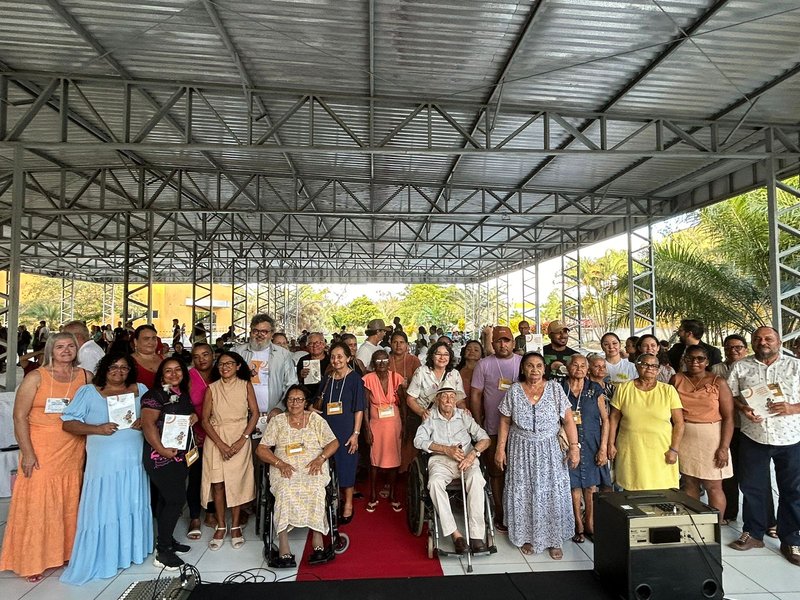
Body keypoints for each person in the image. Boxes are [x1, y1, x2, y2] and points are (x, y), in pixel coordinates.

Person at [0, 333, 90, 581]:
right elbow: (19, 417)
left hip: (72, 451)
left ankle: (64, 553)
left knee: (68, 502)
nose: (66, 350)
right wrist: (27, 452)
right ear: (50, 349)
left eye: (71, 346)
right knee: (39, 504)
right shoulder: (35, 377)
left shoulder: (85, 377)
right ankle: (32, 560)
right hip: (40, 451)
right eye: (60, 346)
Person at [60, 353, 151, 585]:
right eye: (113, 367)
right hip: (103, 464)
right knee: (105, 505)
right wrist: (97, 428)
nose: (118, 372)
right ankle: (103, 554)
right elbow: (68, 423)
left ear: (130, 370)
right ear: (104, 369)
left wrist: (144, 422)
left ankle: (130, 551)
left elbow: (154, 416)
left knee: (131, 502)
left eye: (123, 367)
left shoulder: (139, 389)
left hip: (133, 461)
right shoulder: (89, 392)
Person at [726, 326, 800, 566]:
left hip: (790, 437)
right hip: (753, 435)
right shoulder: (741, 366)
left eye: (768, 338)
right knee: (751, 486)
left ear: (778, 342)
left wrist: (792, 408)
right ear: (752, 343)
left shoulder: (795, 366)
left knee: (792, 490)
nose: (763, 342)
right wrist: (743, 408)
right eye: (758, 339)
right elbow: (732, 396)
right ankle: (754, 533)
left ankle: (791, 539)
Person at [495, 352, 580, 559]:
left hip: (550, 449)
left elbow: (568, 420)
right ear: (523, 369)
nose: (534, 370)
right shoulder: (514, 391)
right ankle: (528, 537)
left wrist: (574, 447)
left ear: (545, 369)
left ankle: (554, 539)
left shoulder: (555, 389)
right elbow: (505, 421)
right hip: (520, 449)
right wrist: (500, 448)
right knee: (524, 492)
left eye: (539, 366)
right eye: (530, 366)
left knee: (551, 493)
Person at [257, 385, 339, 567]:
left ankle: (317, 539)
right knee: (284, 489)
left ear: (306, 402)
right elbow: (261, 449)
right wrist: (280, 463)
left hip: (313, 466)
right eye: (291, 399)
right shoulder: (278, 421)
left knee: (317, 488)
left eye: (299, 399)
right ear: (286, 401)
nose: (295, 403)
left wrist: (321, 458)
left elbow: (333, 442)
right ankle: (284, 545)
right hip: (284, 467)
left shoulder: (316, 420)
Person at [414, 384, 491, 554]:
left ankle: (477, 535)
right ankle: (456, 535)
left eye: (452, 396)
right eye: (444, 396)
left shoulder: (464, 416)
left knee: (477, 480)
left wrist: (473, 455)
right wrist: (445, 449)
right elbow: (418, 441)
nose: (449, 400)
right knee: (434, 483)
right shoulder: (430, 417)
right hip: (440, 461)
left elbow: (485, 438)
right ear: (437, 399)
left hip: (467, 459)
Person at [140, 358, 199, 570]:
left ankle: (168, 539)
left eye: (177, 370)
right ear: (161, 374)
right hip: (160, 458)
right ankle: (162, 551)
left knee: (166, 500)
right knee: (175, 499)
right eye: (168, 371)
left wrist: (193, 417)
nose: (173, 374)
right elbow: (148, 425)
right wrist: (162, 450)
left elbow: (183, 416)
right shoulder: (154, 396)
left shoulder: (182, 393)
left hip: (180, 456)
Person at [201, 351, 259, 550]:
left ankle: (235, 526)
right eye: (222, 364)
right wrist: (221, 444)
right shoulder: (212, 388)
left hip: (239, 436)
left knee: (237, 482)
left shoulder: (245, 385)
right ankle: (221, 524)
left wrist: (243, 439)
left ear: (238, 366)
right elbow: (205, 420)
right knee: (217, 484)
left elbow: (255, 414)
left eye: (229, 363)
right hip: (216, 438)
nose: (225, 367)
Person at [670, 345, 734, 522]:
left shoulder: (718, 382)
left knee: (714, 485)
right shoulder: (676, 379)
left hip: (712, 437)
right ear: (684, 360)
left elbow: (729, 418)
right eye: (690, 358)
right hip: (684, 436)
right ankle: (695, 523)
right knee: (689, 483)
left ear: (707, 361)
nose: (695, 362)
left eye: (700, 359)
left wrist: (724, 447)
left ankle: (716, 525)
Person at [470, 326, 522, 532]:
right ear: (492, 344)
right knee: (496, 472)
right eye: (499, 341)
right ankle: (499, 513)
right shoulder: (483, 365)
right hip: (492, 427)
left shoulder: (522, 363)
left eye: (507, 340)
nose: (503, 344)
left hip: (519, 430)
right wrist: (477, 424)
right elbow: (475, 395)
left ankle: (517, 513)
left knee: (517, 473)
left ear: (513, 343)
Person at [608, 353, 685, 490]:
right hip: (631, 449)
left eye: (654, 366)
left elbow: (679, 423)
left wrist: (674, 449)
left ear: (658, 370)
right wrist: (610, 444)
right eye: (645, 364)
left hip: (661, 450)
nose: (649, 368)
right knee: (631, 490)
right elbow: (614, 418)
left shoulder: (668, 390)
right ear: (636, 366)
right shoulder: (623, 389)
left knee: (662, 492)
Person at [561, 354, 609, 542]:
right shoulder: (559, 388)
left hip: (591, 441)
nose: (579, 369)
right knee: (573, 485)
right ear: (567, 366)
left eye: (583, 366)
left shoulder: (594, 389)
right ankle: (577, 525)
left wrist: (604, 447)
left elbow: (605, 420)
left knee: (591, 485)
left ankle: (590, 523)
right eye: (575, 365)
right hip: (567, 442)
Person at [316, 342, 365, 524]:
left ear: (348, 358)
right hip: (327, 430)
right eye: (333, 357)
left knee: (347, 465)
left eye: (340, 357)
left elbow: (359, 408)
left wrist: (356, 434)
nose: (336, 360)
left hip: (346, 430)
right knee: (329, 465)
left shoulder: (355, 380)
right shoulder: (327, 378)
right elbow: (318, 403)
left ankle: (348, 504)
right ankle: (334, 500)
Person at [712, 333, 758, 526]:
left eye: (738, 347)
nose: (734, 351)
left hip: (750, 427)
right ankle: (729, 512)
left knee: (750, 475)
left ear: (746, 349)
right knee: (726, 471)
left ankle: (762, 519)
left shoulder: (753, 367)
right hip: (724, 426)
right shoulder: (716, 369)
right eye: (729, 347)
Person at [406, 341, 465, 470]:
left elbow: (459, 400)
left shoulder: (454, 374)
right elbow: (410, 399)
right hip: (425, 417)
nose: (442, 357)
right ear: (432, 356)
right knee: (422, 447)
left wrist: (465, 411)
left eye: (446, 354)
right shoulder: (421, 372)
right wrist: (422, 412)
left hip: (447, 418)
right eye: (438, 354)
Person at [233, 314, 298, 433]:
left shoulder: (283, 355)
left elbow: (291, 385)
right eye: (255, 331)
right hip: (242, 415)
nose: (259, 335)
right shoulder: (238, 352)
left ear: (271, 334)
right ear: (250, 332)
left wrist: (280, 407)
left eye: (264, 331)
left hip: (273, 415)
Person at [363, 349, 404, 512]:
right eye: (378, 361)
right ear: (373, 363)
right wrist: (366, 428)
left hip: (394, 424)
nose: (381, 364)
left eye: (384, 360)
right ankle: (373, 495)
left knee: (394, 461)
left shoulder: (396, 377)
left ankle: (393, 494)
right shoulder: (367, 379)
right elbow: (364, 406)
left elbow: (403, 404)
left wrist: (406, 426)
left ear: (389, 361)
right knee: (374, 460)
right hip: (376, 424)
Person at [186, 342, 216, 538]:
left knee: (214, 475)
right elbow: (183, 402)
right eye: (196, 356)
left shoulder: (221, 373)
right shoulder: (189, 376)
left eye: (205, 355)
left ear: (213, 355)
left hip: (217, 432)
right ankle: (195, 516)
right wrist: (191, 430)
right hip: (195, 433)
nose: (201, 359)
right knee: (195, 475)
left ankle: (211, 512)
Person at [296, 332, 330, 400]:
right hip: (307, 397)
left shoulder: (331, 360)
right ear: (307, 346)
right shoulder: (303, 360)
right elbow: (296, 381)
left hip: (327, 396)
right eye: (311, 343)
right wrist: (300, 375)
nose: (314, 345)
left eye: (318, 343)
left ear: (324, 344)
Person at [131, 324, 163, 389]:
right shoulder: (127, 362)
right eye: (146, 339)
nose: (151, 342)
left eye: (154, 338)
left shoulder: (165, 359)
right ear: (135, 342)